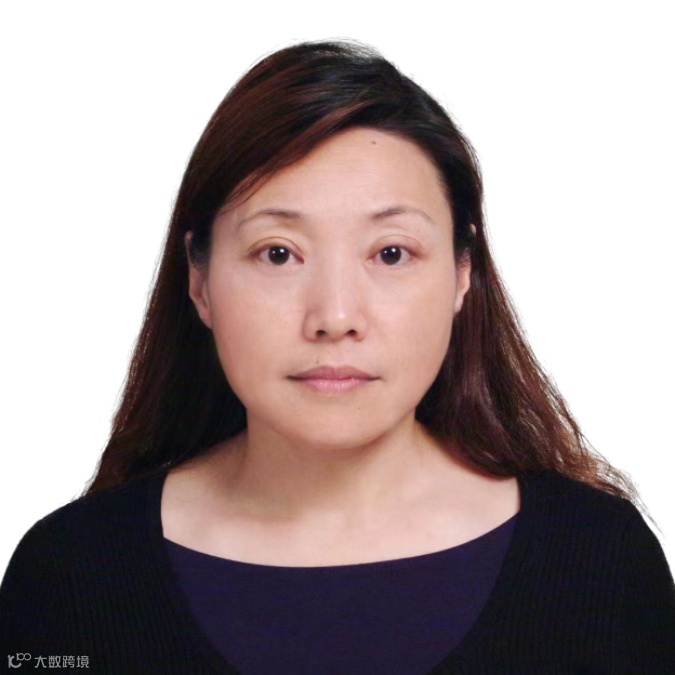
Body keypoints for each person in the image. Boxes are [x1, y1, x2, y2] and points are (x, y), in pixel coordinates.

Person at [1, 38, 673, 674]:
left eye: (390, 253)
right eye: (277, 254)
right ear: (199, 280)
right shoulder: (68, 579)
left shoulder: (601, 565)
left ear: (462, 273)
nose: (335, 316)